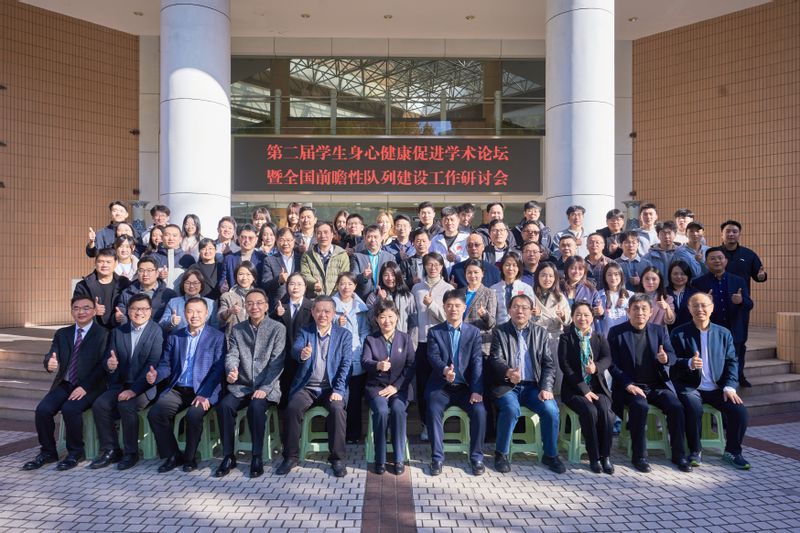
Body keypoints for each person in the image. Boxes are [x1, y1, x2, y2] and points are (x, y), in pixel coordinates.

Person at [23, 296, 110, 471]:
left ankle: (75, 452)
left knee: (70, 409)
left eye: (86, 308)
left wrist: (85, 387)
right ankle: (48, 452)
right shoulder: (63, 333)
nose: (81, 312)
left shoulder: (104, 334)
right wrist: (49, 363)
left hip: (91, 386)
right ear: (71, 311)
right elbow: (52, 354)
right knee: (43, 410)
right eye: (76, 308)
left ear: (94, 311)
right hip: (66, 383)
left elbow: (103, 366)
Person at [607, 293, 691, 473]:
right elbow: (612, 364)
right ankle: (639, 456)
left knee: (676, 406)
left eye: (644, 308)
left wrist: (665, 358)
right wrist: (628, 384)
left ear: (651, 311)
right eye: (635, 308)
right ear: (628, 311)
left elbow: (672, 356)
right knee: (640, 406)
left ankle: (679, 455)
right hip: (629, 387)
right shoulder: (616, 332)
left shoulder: (659, 331)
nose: (640, 312)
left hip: (656, 385)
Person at [670, 292, 751, 470]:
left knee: (740, 412)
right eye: (695, 306)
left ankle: (733, 452)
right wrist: (688, 363)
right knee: (693, 407)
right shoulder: (678, 333)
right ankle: (695, 450)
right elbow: (672, 363)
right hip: (691, 387)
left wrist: (730, 386)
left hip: (718, 388)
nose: (700, 309)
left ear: (712, 308)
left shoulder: (723, 333)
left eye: (704, 305)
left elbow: (732, 362)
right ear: (689, 309)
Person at [488, 294, 565, 474]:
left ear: (531, 311)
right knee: (511, 409)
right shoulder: (500, 331)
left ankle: (550, 455)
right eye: (515, 307)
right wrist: (508, 372)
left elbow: (548, 364)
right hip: (508, 386)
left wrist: (546, 387)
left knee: (551, 410)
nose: (520, 311)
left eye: (524, 307)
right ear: (509, 310)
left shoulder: (540, 332)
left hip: (534, 387)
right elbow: (495, 359)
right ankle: (501, 454)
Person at [276, 296, 353, 477]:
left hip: (331, 387)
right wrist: (302, 354)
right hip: (307, 387)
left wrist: (339, 390)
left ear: (334, 314)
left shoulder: (344, 335)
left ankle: (338, 459)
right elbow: (295, 349)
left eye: (327, 311)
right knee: (292, 408)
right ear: (312, 312)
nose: (322, 315)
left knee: (337, 410)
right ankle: (290, 457)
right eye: (318, 310)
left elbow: (346, 365)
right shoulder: (306, 331)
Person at [147, 297, 226, 473]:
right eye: (190, 311)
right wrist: (156, 375)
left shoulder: (217, 337)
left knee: (193, 415)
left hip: (203, 390)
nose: (194, 315)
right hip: (178, 389)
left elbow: (218, 370)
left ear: (207, 314)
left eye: (199, 312)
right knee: (155, 414)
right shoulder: (176, 336)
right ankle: (173, 455)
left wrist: (205, 393)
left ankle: (190, 458)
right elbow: (166, 365)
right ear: (184, 313)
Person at [215, 289, 286, 478]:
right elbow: (232, 354)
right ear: (245, 306)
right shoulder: (238, 329)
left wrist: (265, 388)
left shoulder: (278, 328)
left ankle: (256, 456)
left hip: (267, 386)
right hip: (242, 385)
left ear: (266, 306)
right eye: (250, 303)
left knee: (256, 407)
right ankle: (228, 456)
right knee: (224, 406)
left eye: (259, 303)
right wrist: (231, 370)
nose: (254, 307)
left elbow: (277, 363)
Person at [89, 294, 163, 470]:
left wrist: (134, 391)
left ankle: (131, 453)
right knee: (100, 404)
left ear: (150, 311)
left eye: (143, 309)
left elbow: (152, 364)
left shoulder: (156, 331)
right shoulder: (118, 332)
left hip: (144, 387)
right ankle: (111, 450)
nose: (139, 312)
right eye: (135, 309)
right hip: (120, 384)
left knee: (126, 406)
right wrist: (110, 365)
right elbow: (109, 357)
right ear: (128, 311)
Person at [425, 290, 487, 476]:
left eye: (457, 306)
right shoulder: (435, 332)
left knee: (480, 411)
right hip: (442, 387)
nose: (453, 309)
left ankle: (476, 457)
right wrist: (445, 370)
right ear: (444, 307)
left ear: (464, 308)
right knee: (433, 409)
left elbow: (477, 362)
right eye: (449, 305)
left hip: (466, 388)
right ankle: (437, 458)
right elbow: (433, 357)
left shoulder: (473, 332)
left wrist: (476, 390)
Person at [558, 301, 615, 474]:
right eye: (578, 315)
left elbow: (607, 359)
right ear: (572, 317)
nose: (582, 318)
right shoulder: (566, 338)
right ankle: (594, 456)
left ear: (592, 317)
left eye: (586, 315)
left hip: (597, 387)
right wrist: (584, 390)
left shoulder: (599, 338)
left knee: (606, 412)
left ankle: (606, 456)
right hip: (574, 389)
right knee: (590, 411)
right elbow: (565, 366)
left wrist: (596, 367)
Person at [692, 247, 754, 387]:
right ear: (706, 262)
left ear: (726, 261)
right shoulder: (698, 283)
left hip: (734, 326)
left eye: (720, 258)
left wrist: (741, 301)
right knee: (714, 356)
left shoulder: (738, 281)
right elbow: (693, 307)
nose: (717, 261)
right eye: (712, 258)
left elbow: (749, 304)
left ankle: (738, 377)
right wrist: (704, 302)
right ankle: (717, 382)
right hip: (711, 329)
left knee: (737, 355)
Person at [410, 252, 453, 442]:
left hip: (441, 344)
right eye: (429, 264)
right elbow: (412, 315)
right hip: (420, 343)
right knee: (422, 385)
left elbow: (449, 318)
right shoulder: (416, 288)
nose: (433, 267)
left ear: (442, 267)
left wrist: (433, 305)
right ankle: (426, 425)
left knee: (439, 385)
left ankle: (438, 424)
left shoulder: (448, 289)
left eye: (436, 264)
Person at [331, 273, 370, 444]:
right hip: (337, 357)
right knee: (339, 396)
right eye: (342, 283)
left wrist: (361, 348)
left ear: (355, 286)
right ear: (337, 285)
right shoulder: (330, 305)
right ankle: (337, 433)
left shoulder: (361, 307)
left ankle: (353, 434)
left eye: (349, 283)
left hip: (356, 355)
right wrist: (336, 324)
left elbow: (365, 330)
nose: (346, 287)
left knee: (354, 397)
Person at [271, 272, 314, 409]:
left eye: (299, 284)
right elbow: (269, 327)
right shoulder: (280, 305)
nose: (295, 287)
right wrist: (276, 315)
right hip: (283, 357)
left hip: (304, 356)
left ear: (305, 287)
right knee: (285, 394)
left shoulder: (312, 307)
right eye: (292, 284)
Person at [73, 248, 130, 329]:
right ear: (95, 263)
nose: (104, 265)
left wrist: (122, 315)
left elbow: (132, 306)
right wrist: (92, 310)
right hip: (93, 331)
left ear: (116, 263)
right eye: (100, 261)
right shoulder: (83, 285)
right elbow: (76, 309)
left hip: (118, 330)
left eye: (108, 262)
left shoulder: (124, 283)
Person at [365, 261, 417, 340]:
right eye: (386, 275)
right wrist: (380, 300)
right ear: (381, 277)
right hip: (380, 341)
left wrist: (411, 343)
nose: (390, 278)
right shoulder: (374, 296)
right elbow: (370, 320)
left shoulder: (408, 296)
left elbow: (413, 323)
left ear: (398, 275)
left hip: (403, 341)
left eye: (393, 275)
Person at [117, 255, 177, 323]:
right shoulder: (127, 293)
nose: (145, 274)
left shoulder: (169, 295)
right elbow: (121, 313)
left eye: (149, 270)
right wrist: (119, 318)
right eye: (141, 270)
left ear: (157, 273)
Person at [300, 221, 351, 297]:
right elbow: (305, 274)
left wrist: (334, 295)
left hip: (336, 298)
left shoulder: (342, 254)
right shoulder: (307, 255)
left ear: (332, 234)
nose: (323, 236)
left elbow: (344, 276)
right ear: (315, 235)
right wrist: (314, 283)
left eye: (326, 232)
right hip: (314, 298)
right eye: (319, 233)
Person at [532, 262, 571, 357]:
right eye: (543, 275)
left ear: (555, 278)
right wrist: (536, 315)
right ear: (537, 276)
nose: (547, 279)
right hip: (534, 337)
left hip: (555, 338)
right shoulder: (530, 294)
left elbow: (568, 320)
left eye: (551, 276)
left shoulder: (560, 297)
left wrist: (563, 315)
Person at [460, 260, 498, 356]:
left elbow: (492, 323)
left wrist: (485, 315)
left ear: (482, 273)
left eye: (476, 272)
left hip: (480, 344)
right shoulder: (459, 293)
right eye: (469, 272)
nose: (472, 275)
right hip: (461, 342)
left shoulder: (489, 293)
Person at [719, 219, 767, 292]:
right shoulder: (714, 253)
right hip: (718, 296)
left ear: (739, 234)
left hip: (742, 296)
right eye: (728, 231)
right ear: (722, 234)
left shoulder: (749, 254)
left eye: (735, 232)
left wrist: (762, 277)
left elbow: (758, 275)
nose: (731, 234)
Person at [351, 225, 397, 300]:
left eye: (376, 237)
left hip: (385, 298)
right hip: (362, 299)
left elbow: (396, 277)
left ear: (381, 238)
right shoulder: (356, 257)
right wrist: (364, 276)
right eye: (369, 237)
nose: (373, 240)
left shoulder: (390, 257)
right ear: (364, 238)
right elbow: (352, 278)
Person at [260, 227, 302, 308]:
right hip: (278, 305)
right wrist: (279, 280)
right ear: (277, 241)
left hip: (298, 304)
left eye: (288, 240)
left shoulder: (301, 259)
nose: (285, 243)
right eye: (282, 240)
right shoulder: (269, 260)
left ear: (294, 241)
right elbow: (265, 285)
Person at [491, 252, 535, 325]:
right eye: (507, 265)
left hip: (521, 327)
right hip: (499, 328)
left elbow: (531, 313)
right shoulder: (493, 289)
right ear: (502, 267)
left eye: (514, 265)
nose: (511, 268)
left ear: (519, 268)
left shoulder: (526, 288)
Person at [218, 261, 258, 339]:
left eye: (248, 274)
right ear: (236, 276)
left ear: (254, 277)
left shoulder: (259, 296)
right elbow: (220, 319)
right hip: (233, 340)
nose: (244, 278)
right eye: (241, 274)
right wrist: (229, 311)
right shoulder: (227, 296)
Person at [221, 224, 264, 292]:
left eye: (250, 238)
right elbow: (222, 280)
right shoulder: (229, 259)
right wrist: (222, 287)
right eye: (243, 237)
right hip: (233, 296)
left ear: (256, 239)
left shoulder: (262, 259)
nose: (246, 240)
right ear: (238, 238)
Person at [155, 224, 196, 290]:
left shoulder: (188, 258)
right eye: (167, 235)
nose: (171, 238)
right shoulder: (153, 257)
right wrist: (157, 275)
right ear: (162, 238)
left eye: (174, 235)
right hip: (157, 295)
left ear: (180, 239)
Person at [429, 206, 469, 272]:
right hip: (441, 276)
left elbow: (470, 260)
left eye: (452, 219)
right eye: (446, 220)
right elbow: (430, 260)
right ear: (441, 222)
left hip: (461, 275)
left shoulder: (466, 238)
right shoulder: (435, 240)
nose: (449, 223)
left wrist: (456, 259)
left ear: (458, 220)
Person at [595, 262, 630, 337]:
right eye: (609, 275)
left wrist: (627, 306)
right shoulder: (598, 296)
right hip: (606, 338)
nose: (613, 278)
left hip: (626, 338)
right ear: (605, 277)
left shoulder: (630, 296)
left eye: (616, 274)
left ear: (621, 276)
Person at [667, 260, 697, 330]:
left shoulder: (695, 294)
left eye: (683, 274)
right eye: (675, 274)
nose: (679, 276)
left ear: (688, 275)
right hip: (668, 332)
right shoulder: (663, 293)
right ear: (670, 275)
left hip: (690, 331)